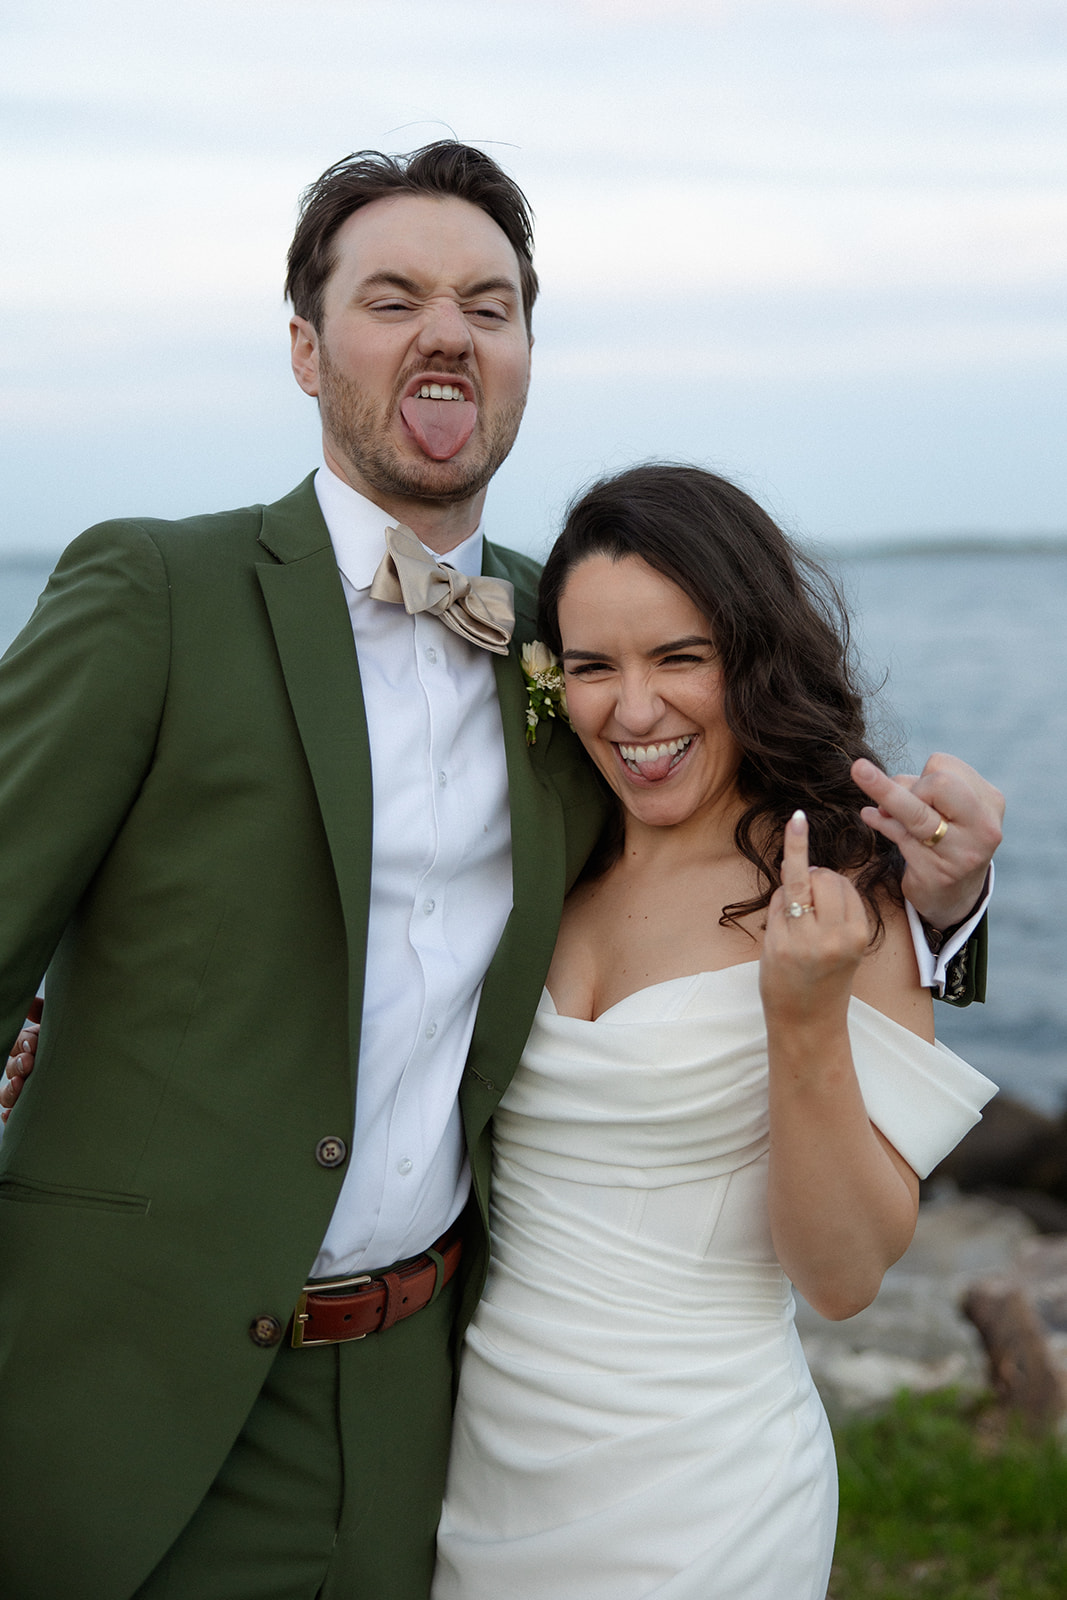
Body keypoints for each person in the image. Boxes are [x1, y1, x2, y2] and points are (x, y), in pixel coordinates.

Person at [0, 144, 1000, 1600]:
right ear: (303, 345)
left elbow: (768, 838)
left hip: (428, 1401)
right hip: (133, 1371)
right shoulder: (155, 594)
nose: (445, 333)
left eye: (488, 302)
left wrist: (951, 911)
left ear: (525, 351)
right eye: (390, 297)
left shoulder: (568, 639)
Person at [430, 465, 997, 1600]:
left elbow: (840, 1278)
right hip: (477, 1462)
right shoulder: (539, 860)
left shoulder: (841, 893)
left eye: (678, 658)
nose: (631, 712)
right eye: (592, 667)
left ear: (751, 656)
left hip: (697, 1490)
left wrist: (799, 1020)